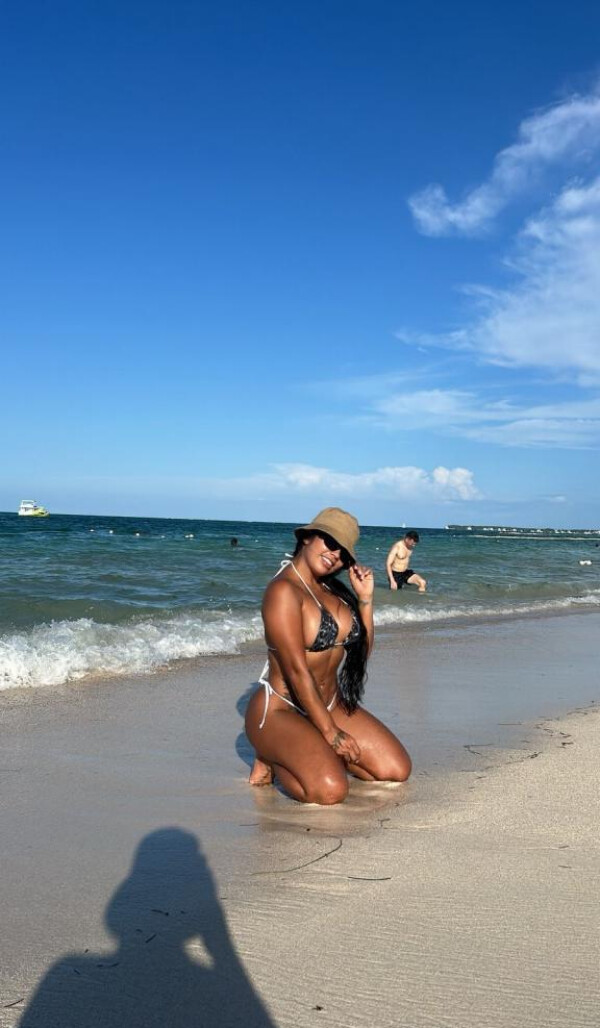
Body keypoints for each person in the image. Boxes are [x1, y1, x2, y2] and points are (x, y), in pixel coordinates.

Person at [244, 507, 411, 804]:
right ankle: (270, 754)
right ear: (307, 537)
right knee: (332, 791)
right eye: (331, 542)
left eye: (343, 554)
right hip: (281, 710)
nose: (335, 555)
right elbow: (296, 670)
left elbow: (361, 652)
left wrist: (365, 600)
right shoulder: (283, 591)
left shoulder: (332, 591)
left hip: (329, 704)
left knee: (396, 770)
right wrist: (331, 733)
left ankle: (310, 749)